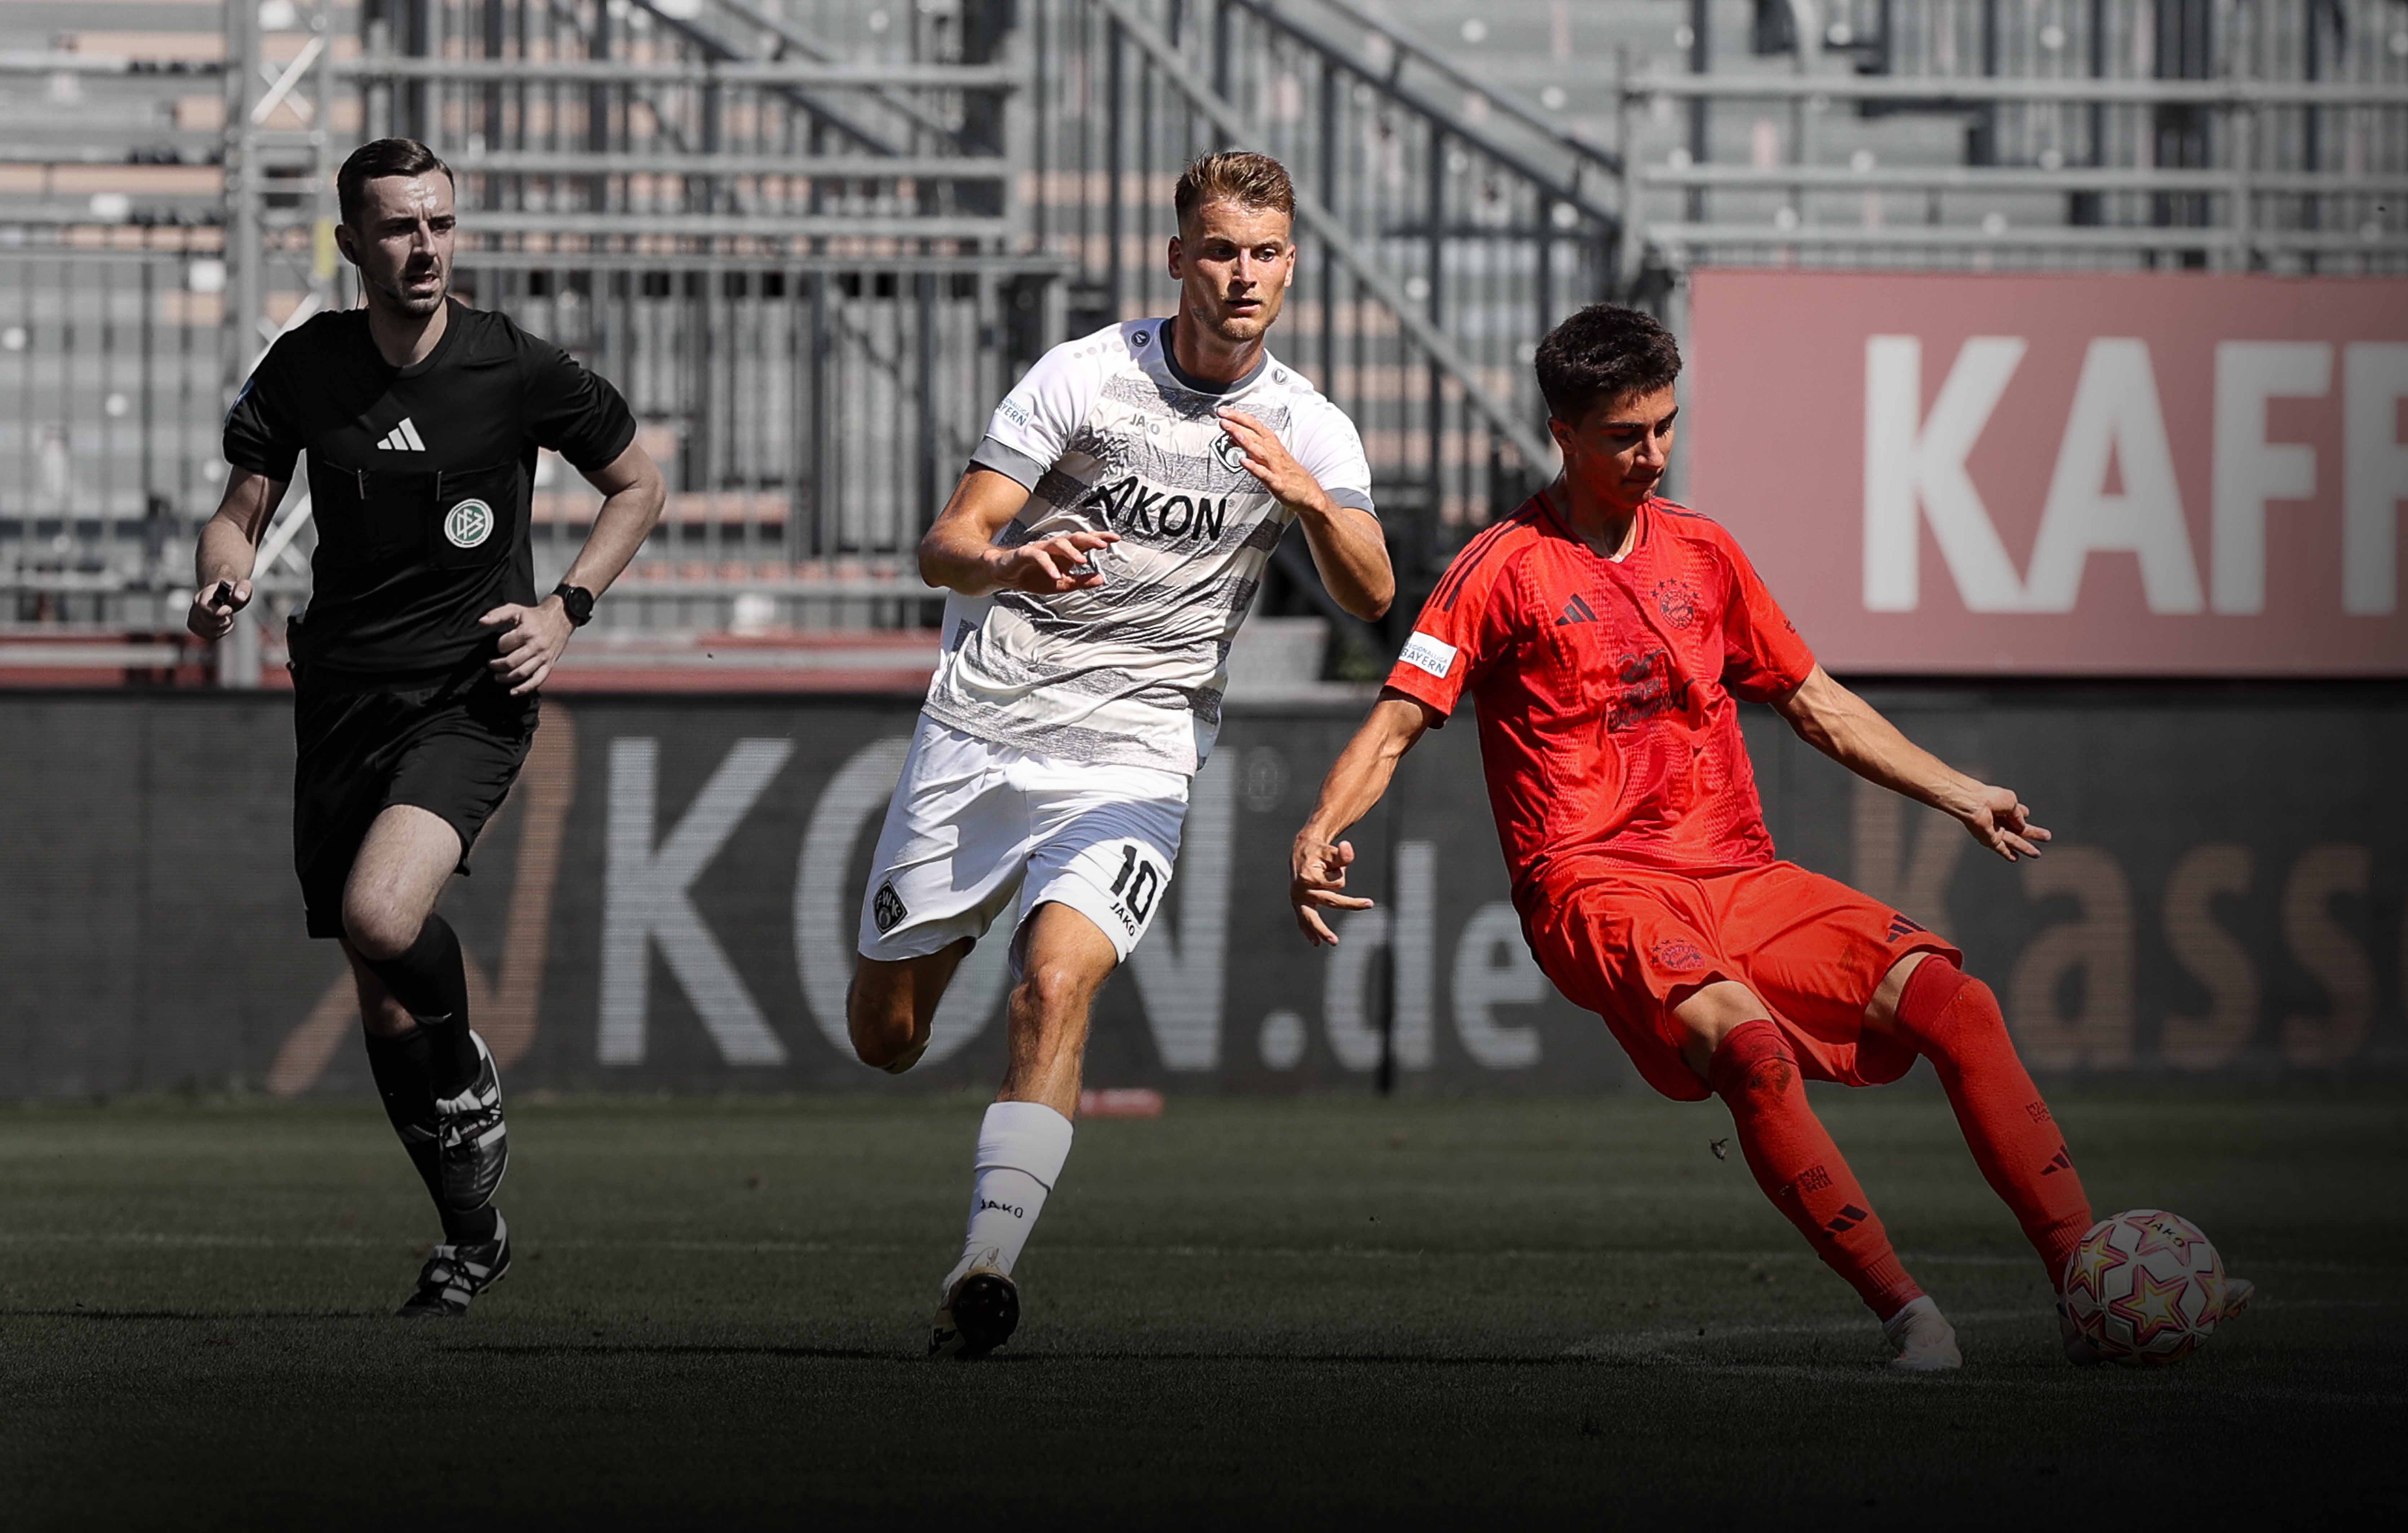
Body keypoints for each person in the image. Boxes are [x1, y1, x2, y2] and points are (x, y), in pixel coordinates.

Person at [1287, 304, 2248, 1369]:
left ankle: (2085, 1280)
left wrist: (1960, 790)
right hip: (1594, 887)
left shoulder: (1704, 552)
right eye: (1625, 434)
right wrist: (1323, 827)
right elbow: (1397, 722)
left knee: (1957, 1004)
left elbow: (1815, 700)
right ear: (1563, 431)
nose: (1653, 453)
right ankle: (1909, 1315)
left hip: (1739, 872)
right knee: (1749, 1050)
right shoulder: (1502, 567)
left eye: (1664, 425)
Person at [848, 150, 1391, 1358]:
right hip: (986, 727)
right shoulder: (1086, 377)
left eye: (1262, 254)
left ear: (1291, 269)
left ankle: (987, 1261)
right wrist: (1004, 563)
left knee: (1057, 986)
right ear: (1176, 258)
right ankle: (961, 925)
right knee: (885, 1035)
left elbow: (1373, 591)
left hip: (1139, 753)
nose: (1239, 276)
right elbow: (945, 544)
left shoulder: (1308, 424)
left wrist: (1308, 495)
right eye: (1217, 250)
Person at [190, 137, 665, 1317]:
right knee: (381, 987)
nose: (424, 247)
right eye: (399, 227)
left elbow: (639, 483)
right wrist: (222, 573)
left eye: (440, 223)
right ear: (351, 243)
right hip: (345, 696)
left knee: (380, 913)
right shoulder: (306, 368)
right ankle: (471, 1233)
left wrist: (567, 607)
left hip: (471, 691)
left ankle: (471, 1072)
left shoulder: (511, 365)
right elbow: (239, 510)